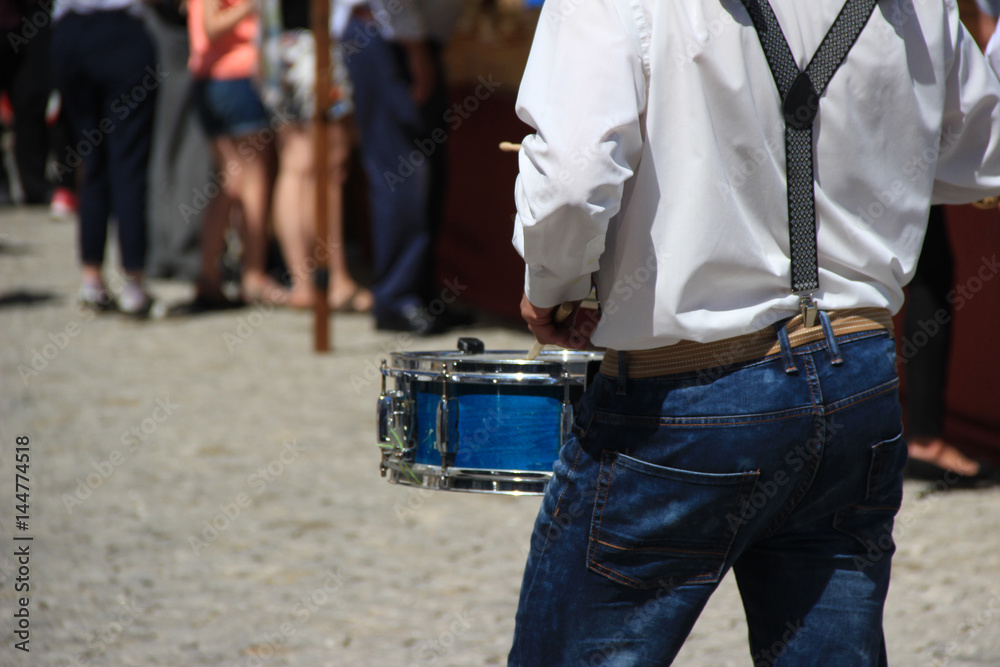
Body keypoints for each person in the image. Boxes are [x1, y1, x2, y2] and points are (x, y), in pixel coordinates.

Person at [509, 0, 1000, 665]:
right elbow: (980, 158)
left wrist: (554, 287)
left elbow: (571, 180)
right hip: (857, 374)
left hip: (685, 396)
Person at [338, 0, 469, 334]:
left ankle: (419, 294)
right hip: (389, 39)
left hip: (404, 39)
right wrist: (414, 48)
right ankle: (398, 298)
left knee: (427, 173)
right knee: (403, 173)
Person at [257, 0, 373, 313]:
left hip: (277, 44)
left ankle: (305, 283)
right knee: (327, 167)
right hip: (310, 45)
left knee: (296, 166)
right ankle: (334, 280)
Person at [51, 0, 159, 316]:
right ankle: (134, 281)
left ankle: (92, 278)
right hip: (121, 34)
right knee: (128, 165)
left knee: (92, 161)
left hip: (73, 33)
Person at [183, 0, 284, 311]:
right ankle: (252, 274)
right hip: (234, 76)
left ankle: (210, 275)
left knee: (231, 178)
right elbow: (212, 26)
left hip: (213, 77)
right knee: (250, 179)